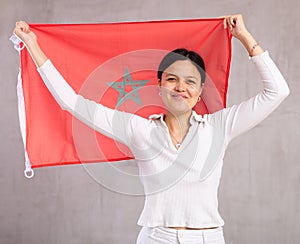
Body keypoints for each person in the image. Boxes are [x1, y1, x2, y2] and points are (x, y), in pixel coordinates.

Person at [13, 14, 289, 244]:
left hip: (209, 238)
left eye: (190, 81)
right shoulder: (138, 129)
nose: (181, 88)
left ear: (200, 91)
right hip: (156, 238)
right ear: (160, 86)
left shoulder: (219, 126)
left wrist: (245, 37)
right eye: (172, 79)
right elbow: (71, 102)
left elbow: (277, 91)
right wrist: (34, 45)